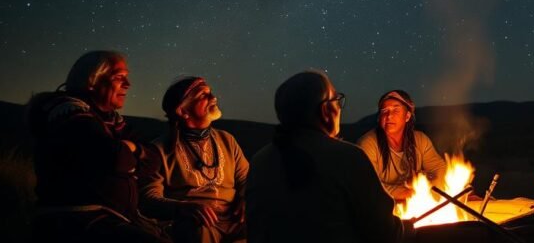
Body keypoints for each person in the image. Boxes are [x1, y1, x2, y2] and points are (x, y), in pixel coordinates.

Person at [245, 70, 410, 243]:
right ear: (325, 110)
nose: (339, 107)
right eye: (336, 100)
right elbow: (386, 233)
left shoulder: (259, 162)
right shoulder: (348, 158)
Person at [26, 50, 169, 243]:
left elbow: (153, 161)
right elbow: (114, 158)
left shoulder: (112, 121)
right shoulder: (68, 114)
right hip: (76, 220)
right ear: (92, 81)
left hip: (110, 218)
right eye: (119, 77)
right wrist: (131, 151)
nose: (128, 84)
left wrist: (131, 149)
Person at [140, 76, 248, 243]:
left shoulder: (227, 140)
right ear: (183, 111)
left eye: (210, 93)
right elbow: (148, 198)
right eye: (203, 95)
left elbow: (247, 179)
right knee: (198, 232)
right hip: (196, 224)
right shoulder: (159, 150)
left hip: (233, 220)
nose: (214, 98)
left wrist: (245, 199)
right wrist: (182, 208)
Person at [356, 89, 447, 202]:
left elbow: (440, 169)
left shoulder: (420, 140)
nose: (389, 116)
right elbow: (368, 185)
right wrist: (409, 192)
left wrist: (427, 188)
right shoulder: (368, 144)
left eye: (396, 110)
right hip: (381, 208)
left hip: (416, 205)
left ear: (407, 116)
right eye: (384, 111)